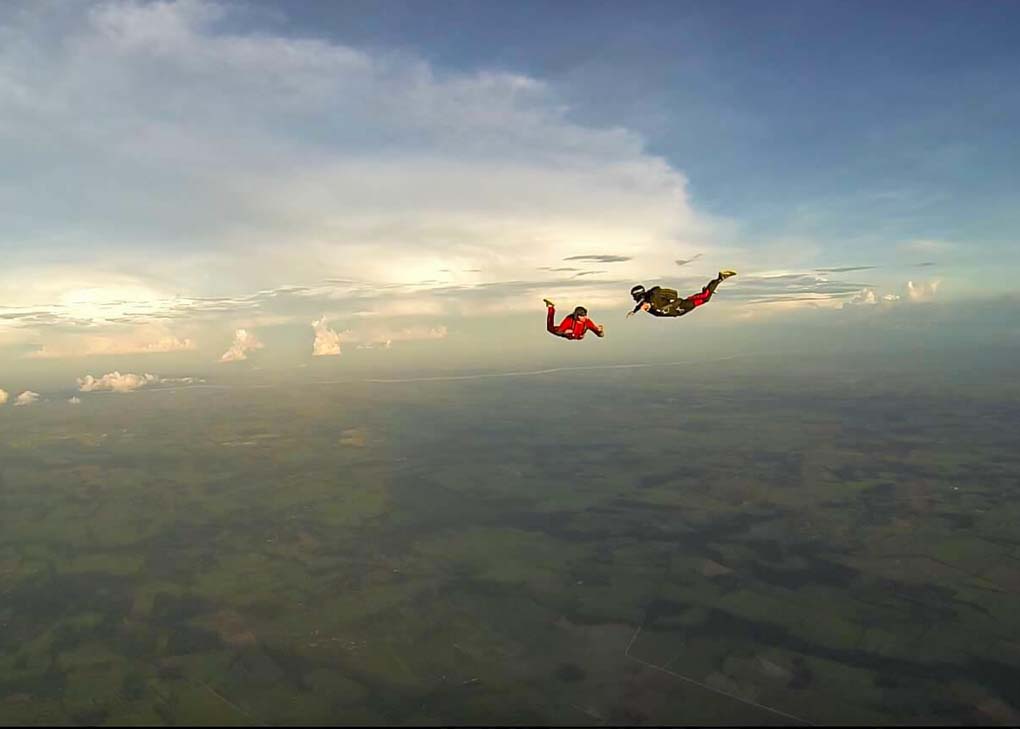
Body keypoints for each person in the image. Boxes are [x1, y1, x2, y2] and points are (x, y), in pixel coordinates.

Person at [627, 271, 737, 318]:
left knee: (705, 298)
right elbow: (641, 303)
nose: (643, 308)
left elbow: (672, 294)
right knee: (704, 297)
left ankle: (720, 278)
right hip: (680, 310)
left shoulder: (653, 295)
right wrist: (634, 311)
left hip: (683, 305)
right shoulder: (645, 302)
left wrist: (672, 303)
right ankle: (710, 287)